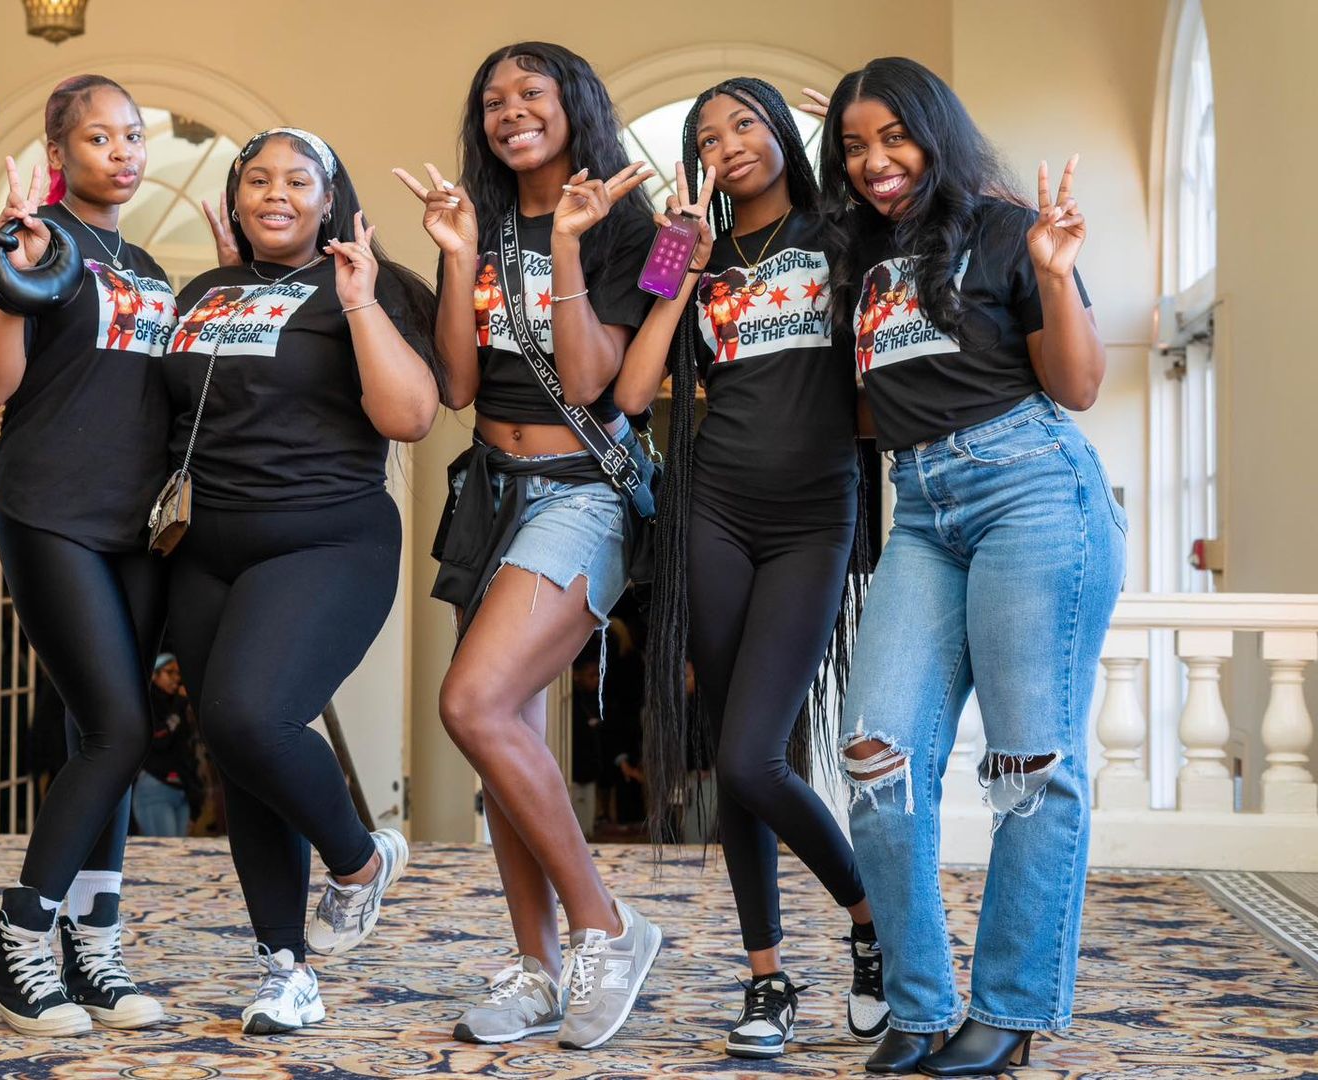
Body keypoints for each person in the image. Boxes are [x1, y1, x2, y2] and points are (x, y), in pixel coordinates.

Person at [810, 57, 1124, 1075]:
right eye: (855, 146)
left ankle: (1011, 1008)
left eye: (895, 136)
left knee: (1031, 766)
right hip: (924, 510)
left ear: (937, 132)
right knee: (877, 757)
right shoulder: (858, 253)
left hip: (1033, 488)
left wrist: (1051, 266)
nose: (875, 162)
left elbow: (1076, 386)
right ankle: (918, 1005)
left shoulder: (1002, 229)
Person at [605, 77, 886, 1060]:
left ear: (782, 130)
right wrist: (679, 262)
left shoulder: (840, 232)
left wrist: (855, 106)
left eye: (747, 122)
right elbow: (634, 392)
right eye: (709, 133)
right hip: (713, 508)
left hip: (815, 516)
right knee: (734, 763)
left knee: (749, 757)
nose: (731, 142)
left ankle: (866, 918)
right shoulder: (692, 253)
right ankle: (767, 976)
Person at [397, 41, 661, 1050]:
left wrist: (563, 248)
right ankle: (539, 967)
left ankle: (603, 925)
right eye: (494, 99)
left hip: (581, 491)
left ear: (573, 104)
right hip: (490, 492)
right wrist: (458, 254)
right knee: (502, 732)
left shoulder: (626, 220)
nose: (512, 110)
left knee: (470, 702)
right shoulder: (479, 216)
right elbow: (459, 387)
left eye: (531, 93)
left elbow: (599, 381)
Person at [161, 127, 440, 1035]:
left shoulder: (367, 283)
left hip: (327, 541)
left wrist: (358, 302)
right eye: (256, 179)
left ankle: (360, 862)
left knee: (253, 715)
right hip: (210, 550)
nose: (274, 192)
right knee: (238, 758)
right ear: (237, 198)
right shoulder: (205, 291)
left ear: (330, 199)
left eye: (297, 180)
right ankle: (285, 968)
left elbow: (410, 418)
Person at [0, 74, 180, 1038]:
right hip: (51, 511)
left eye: (134, 136)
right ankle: (22, 940)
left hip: (136, 527)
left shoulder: (148, 266)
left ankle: (94, 946)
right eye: (100, 138)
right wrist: (13, 273)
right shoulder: (36, 240)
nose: (123, 152)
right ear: (60, 154)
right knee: (119, 728)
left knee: (107, 739)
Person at [133, 654, 202, 838]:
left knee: (179, 859)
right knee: (163, 856)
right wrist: (179, 706)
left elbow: (187, 748)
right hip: (156, 785)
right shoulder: (146, 702)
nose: (176, 678)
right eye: (169, 672)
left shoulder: (178, 704)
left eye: (178, 673)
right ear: (154, 675)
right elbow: (159, 740)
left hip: (182, 789)